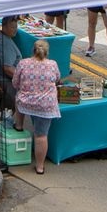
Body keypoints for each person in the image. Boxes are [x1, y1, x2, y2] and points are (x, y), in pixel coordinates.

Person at [13, 39, 63, 175]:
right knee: (41, 135)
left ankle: (19, 125)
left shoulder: (23, 63)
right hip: (46, 105)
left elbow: (15, 83)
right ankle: (40, 167)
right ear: (46, 52)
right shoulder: (53, 64)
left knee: (18, 96)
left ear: (33, 50)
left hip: (26, 103)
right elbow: (58, 79)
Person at [0, 16, 23, 110]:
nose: (15, 30)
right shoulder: (6, 44)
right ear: (4, 27)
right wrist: (23, 77)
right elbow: (7, 68)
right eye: (12, 27)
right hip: (5, 82)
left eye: (16, 27)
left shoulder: (1, 37)